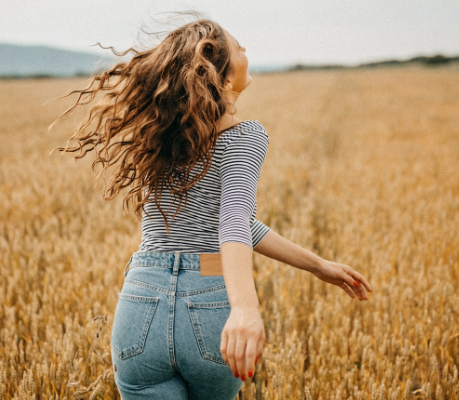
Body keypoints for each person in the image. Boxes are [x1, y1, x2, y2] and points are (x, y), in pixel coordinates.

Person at [52, 16, 372, 400]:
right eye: (239, 48)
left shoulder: (164, 136)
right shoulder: (245, 136)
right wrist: (244, 308)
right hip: (207, 307)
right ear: (222, 80)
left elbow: (235, 222)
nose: (246, 51)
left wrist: (319, 266)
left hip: (140, 303)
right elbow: (233, 221)